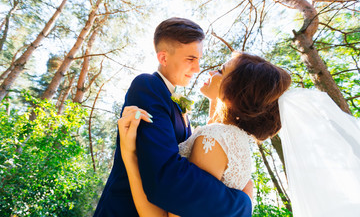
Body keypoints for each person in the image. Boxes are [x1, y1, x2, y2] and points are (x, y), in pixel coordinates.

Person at [119, 52, 360, 217]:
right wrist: (218, 97)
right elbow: (216, 123)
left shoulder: (214, 141)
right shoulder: (234, 138)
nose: (211, 71)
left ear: (233, 93)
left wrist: (129, 155)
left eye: (221, 71)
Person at [93, 18, 252, 217]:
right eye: (190, 59)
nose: (197, 68)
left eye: (198, 59)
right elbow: (165, 176)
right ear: (164, 58)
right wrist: (241, 204)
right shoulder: (148, 86)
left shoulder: (176, 102)